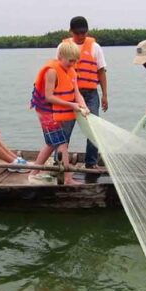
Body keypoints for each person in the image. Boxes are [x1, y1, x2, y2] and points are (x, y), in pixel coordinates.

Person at [31, 40, 89, 185]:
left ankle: (33, 173)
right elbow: (49, 97)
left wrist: (83, 106)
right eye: (70, 60)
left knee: (51, 143)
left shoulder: (72, 70)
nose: (73, 63)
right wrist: (71, 105)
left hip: (56, 110)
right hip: (46, 111)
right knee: (62, 144)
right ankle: (68, 179)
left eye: (75, 61)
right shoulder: (51, 71)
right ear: (61, 56)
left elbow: (77, 93)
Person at [56, 16, 108, 168]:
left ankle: (91, 163)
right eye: (78, 33)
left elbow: (101, 71)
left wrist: (105, 95)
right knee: (64, 130)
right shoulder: (63, 47)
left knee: (93, 130)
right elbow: (57, 70)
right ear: (71, 31)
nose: (81, 36)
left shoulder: (95, 47)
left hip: (90, 94)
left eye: (84, 33)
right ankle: (58, 162)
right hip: (68, 94)